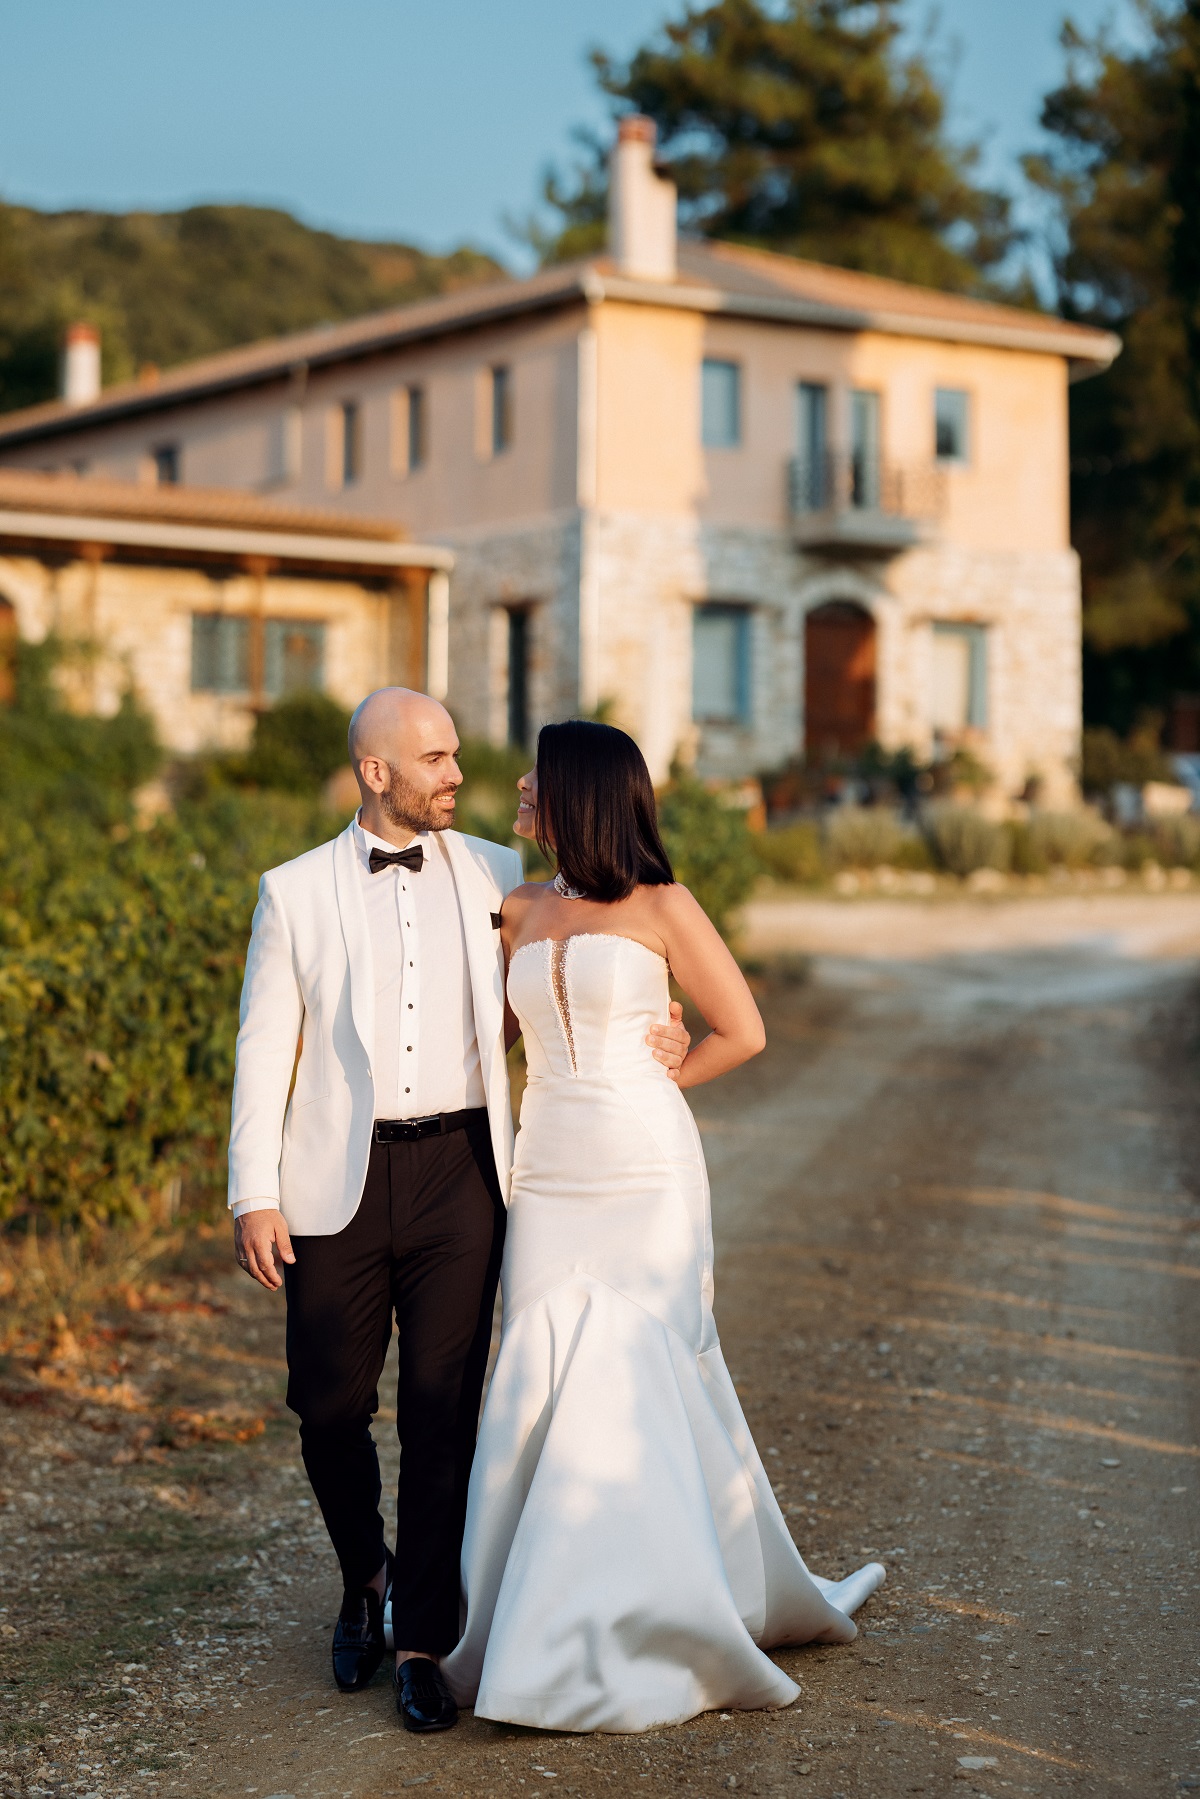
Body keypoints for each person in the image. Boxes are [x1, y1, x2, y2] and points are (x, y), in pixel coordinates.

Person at [226, 689, 694, 1733]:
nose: (456, 773)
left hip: (464, 1174)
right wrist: (251, 1188)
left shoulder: (497, 872)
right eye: (434, 757)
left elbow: (600, 937)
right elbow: (264, 1049)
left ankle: (423, 1638)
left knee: (445, 1411)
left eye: (455, 755)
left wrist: (653, 1022)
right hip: (333, 1184)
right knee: (329, 1403)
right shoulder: (292, 891)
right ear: (376, 771)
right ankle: (366, 1576)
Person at [442, 720, 885, 1732]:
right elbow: (489, 1039)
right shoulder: (513, 905)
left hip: (644, 1164)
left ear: (580, 793)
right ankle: (534, 1617)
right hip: (547, 1170)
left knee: (637, 1370)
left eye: (536, 773)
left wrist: (663, 1068)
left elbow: (745, 1027)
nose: (517, 782)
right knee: (541, 1369)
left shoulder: (663, 903)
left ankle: (643, 1621)